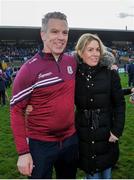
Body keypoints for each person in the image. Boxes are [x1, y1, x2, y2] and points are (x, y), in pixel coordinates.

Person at [10, 12, 78, 179]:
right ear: (43, 34)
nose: (61, 37)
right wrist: (23, 152)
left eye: (65, 32)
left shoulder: (72, 62)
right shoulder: (29, 69)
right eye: (54, 31)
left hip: (70, 140)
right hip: (40, 144)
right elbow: (16, 110)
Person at [74, 33, 126, 179]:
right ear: (80, 52)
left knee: (106, 174)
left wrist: (116, 131)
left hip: (107, 135)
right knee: (91, 175)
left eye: (98, 49)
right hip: (84, 136)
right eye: (90, 50)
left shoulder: (111, 74)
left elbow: (119, 104)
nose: (95, 53)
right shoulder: (74, 75)